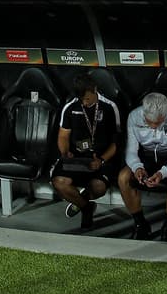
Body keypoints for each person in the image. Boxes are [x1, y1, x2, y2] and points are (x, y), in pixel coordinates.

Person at [50, 75, 122, 231]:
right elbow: (63, 135)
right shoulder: (70, 107)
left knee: (98, 187)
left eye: (87, 99)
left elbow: (116, 143)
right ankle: (86, 207)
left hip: (101, 159)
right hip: (77, 158)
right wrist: (65, 152)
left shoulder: (110, 107)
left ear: (95, 90)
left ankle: (81, 200)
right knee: (59, 183)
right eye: (81, 99)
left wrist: (102, 160)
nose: (84, 103)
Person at [117, 93, 167, 242]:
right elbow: (131, 151)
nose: (152, 126)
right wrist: (137, 167)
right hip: (145, 156)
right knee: (123, 178)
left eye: (157, 123)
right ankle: (140, 224)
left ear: (166, 113)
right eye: (149, 122)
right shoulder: (134, 116)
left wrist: (162, 173)